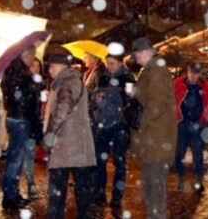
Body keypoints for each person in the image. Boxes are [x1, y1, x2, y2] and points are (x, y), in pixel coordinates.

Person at [43, 53, 96, 219]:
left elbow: (63, 108)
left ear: (58, 66)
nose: (49, 71)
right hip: (78, 143)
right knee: (82, 189)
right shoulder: (74, 80)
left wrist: (50, 133)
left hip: (66, 143)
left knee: (57, 191)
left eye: (51, 67)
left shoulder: (65, 83)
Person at [129, 37, 177, 219]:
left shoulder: (156, 70)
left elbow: (157, 104)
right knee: (151, 188)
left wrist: (141, 122)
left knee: (155, 190)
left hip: (156, 140)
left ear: (148, 51)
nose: (137, 59)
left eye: (138, 54)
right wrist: (136, 93)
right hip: (153, 141)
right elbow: (151, 98)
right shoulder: (150, 70)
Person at [91, 52, 135, 213]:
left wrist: (127, 98)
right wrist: (97, 100)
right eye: (108, 63)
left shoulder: (127, 78)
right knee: (100, 162)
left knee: (119, 162)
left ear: (120, 63)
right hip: (102, 124)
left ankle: (117, 196)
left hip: (119, 126)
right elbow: (94, 98)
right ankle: (99, 193)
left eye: (113, 63)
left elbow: (131, 101)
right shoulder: (102, 77)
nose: (109, 66)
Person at [0, 47, 41, 210]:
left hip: (13, 117)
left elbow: (8, 94)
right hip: (21, 119)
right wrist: (33, 89)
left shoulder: (12, 71)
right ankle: (10, 196)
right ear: (27, 55)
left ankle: (12, 193)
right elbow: (24, 97)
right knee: (15, 160)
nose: (33, 60)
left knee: (14, 158)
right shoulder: (21, 73)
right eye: (33, 56)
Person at [174, 63, 208, 194]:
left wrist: (204, 119)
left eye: (196, 73)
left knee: (198, 153)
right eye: (192, 72)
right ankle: (180, 179)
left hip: (197, 125)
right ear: (188, 71)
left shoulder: (204, 86)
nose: (194, 76)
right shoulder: (178, 83)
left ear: (200, 73)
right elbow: (170, 99)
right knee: (179, 153)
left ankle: (198, 180)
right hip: (181, 123)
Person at [23, 57, 46, 199]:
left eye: (38, 66)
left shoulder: (41, 83)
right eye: (33, 65)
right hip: (27, 122)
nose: (36, 68)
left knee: (32, 152)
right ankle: (30, 183)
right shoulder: (25, 83)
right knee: (28, 154)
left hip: (36, 122)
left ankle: (31, 183)